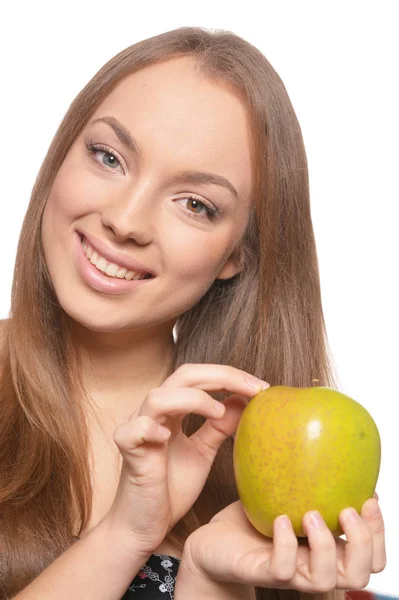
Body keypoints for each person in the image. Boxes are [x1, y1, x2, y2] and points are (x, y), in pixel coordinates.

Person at [0, 26, 386, 600]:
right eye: (109, 157)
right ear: (62, 153)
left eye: (195, 204)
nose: (126, 221)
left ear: (236, 255)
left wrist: (208, 578)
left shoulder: (257, 457)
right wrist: (125, 535)